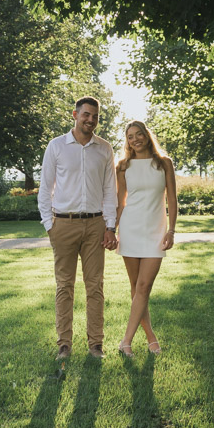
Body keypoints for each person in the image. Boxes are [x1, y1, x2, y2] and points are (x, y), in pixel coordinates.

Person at [37, 97, 118, 360]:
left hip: (96, 225)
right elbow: (45, 189)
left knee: (95, 286)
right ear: (75, 114)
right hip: (63, 224)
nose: (90, 120)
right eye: (86, 115)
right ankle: (64, 345)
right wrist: (50, 226)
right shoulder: (56, 146)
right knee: (64, 286)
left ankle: (95, 345)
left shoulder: (104, 149)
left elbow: (110, 191)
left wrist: (110, 226)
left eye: (95, 116)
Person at [114, 120, 178, 357]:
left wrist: (171, 230)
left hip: (155, 231)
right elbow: (120, 203)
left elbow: (172, 199)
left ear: (147, 135)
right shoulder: (123, 166)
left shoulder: (163, 163)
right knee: (136, 287)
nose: (135, 139)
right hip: (130, 229)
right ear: (127, 141)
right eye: (130, 136)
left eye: (139, 134)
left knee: (144, 286)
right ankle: (151, 337)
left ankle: (126, 340)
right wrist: (112, 229)